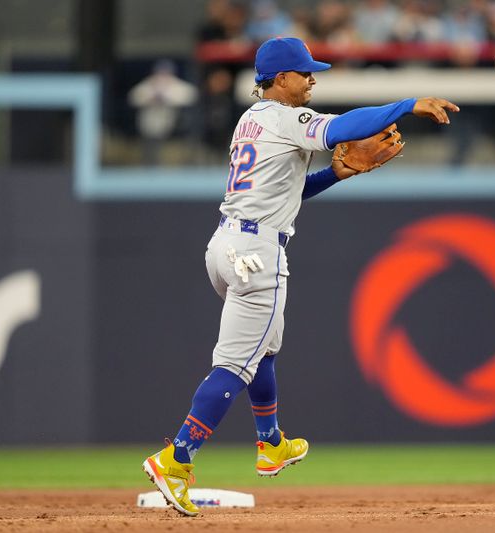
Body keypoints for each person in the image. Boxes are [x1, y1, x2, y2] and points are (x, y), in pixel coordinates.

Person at [142, 36, 458, 516]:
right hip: (256, 252)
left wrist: (334, 175)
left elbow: (285, 195)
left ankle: (271, 443)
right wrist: (408, 103)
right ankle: (177, 459)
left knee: (262, 348)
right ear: (281, 78)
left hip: (228, 243)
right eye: (305, 72)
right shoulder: (287, 119)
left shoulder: (252, 121)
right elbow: (348, 125)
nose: (313, 79)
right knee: (234, 364)